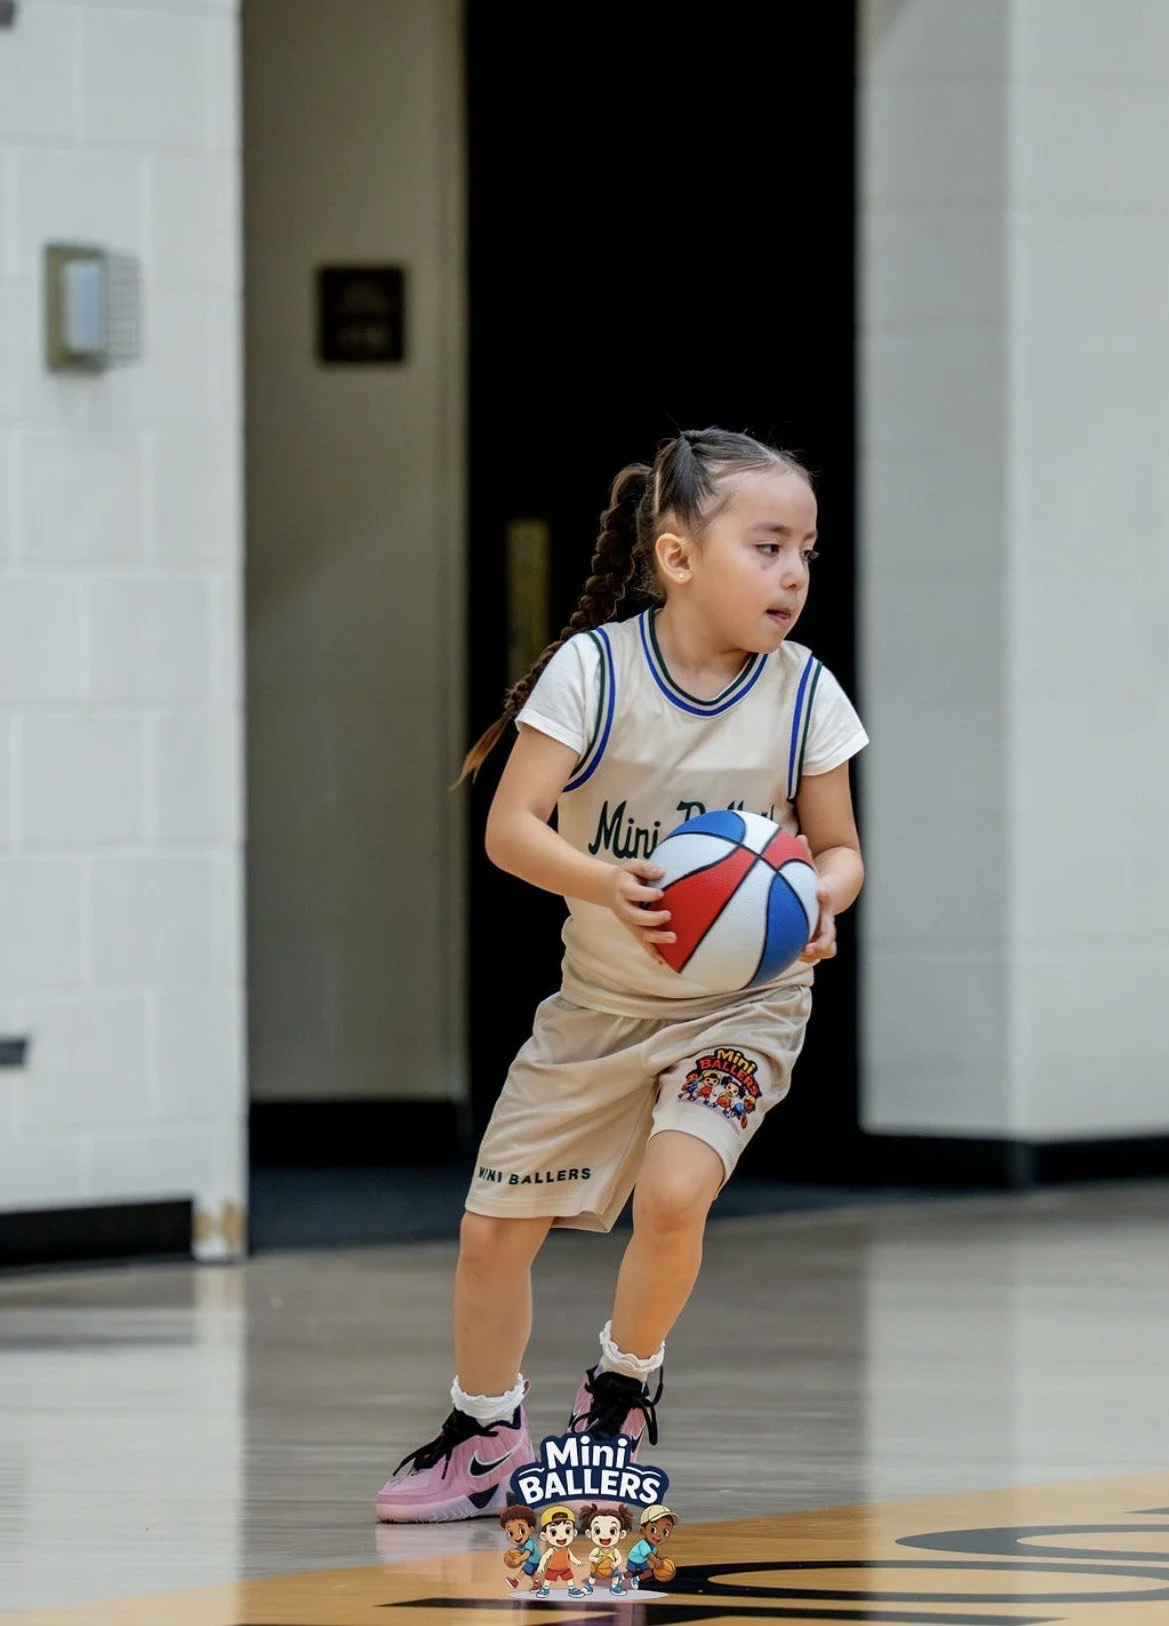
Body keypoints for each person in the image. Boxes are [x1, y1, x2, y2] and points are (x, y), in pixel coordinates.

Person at [375, 427, 867, 1523]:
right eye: (768, 545)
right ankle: (485, 1429)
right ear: (679, 556)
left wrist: (818, 900)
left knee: (675, 1190)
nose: (792, 573)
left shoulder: (804, 694)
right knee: (491, 1235)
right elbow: (511, 829)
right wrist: (607, 884)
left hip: (746, 1006)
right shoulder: (592, 672)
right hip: (600, 1008)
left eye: (806, 553)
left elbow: (839, 850)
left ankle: (620, 1391)